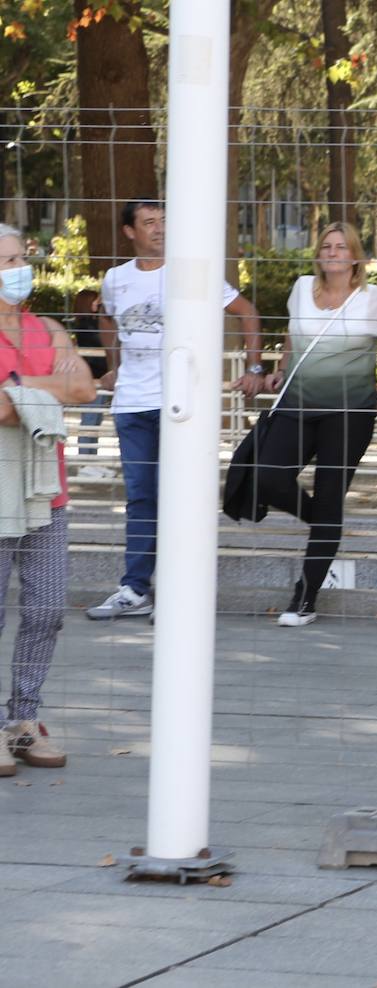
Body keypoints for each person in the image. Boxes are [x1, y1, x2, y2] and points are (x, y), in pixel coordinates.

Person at [85, 200, 265, 621]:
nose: (159, 229)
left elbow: (247, 313)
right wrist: (115, 367)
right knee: (142, 497)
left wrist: (256, 367)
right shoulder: (115, 279)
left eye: (165, 221)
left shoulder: (188, 270)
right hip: (132, 404)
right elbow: (108, 321)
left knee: (183, 496)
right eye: (149, 223)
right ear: (130, 231)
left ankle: (184, 590)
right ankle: (135, 588)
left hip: (181, 404)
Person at [249, 222, 377, 626]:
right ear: (319, 254)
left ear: (355, 255)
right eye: (327, 246)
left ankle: (305, 597)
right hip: (298, 403)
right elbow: (293, 335)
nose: (334, 252)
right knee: (267, 477)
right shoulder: (302, 287)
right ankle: (323, 523)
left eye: (342, 246)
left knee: (329, 495)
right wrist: (280, 369)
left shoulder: (375, 299)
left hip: (349, 411)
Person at [0, 224, 97, 774]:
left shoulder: (49, 327)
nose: (20, 268)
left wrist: (19, 385)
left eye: (21, 256)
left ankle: (24, 722)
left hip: (47, 494)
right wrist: (46, 384)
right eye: (7, 260)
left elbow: (85, 389)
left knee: (46, 610)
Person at [68, 288, 114, 478]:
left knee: (96, 421)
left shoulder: (93, 322)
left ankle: (92, 461)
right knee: (89, 420)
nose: (99, 303)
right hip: (92, 379)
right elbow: (102, 343)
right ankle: (84, 462)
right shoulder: (85, 324)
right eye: (96, 301)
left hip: (101, 378)